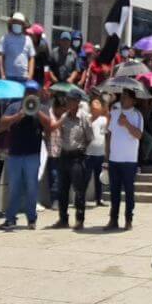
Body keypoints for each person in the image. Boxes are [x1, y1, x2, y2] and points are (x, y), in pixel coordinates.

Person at [0, 80, 52, 230]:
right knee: (14, 188)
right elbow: (2, 124)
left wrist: (37, 112)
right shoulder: (14, 107)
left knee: (31, 187)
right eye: (28, 92)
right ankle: (10, 218)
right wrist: (18, 115)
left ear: (37, 94)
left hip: (32, 154)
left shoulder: (42, 107)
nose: (30, 94)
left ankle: (31, 219)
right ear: (24, 93)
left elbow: (49, 126)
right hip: (15, 154)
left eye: (33, 92)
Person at [52, 89, 93, 230]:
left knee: (79, 190)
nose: (68, 102)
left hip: (77, 157)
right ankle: (63, 219)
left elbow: (89, 138)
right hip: (64, 155)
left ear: (77, 102)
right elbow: (56, 129)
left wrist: (82, 149)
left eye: (70, 100)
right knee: (62, 189)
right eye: (67, 100)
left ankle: (79, 219)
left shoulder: (84, 118)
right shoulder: (64, 116)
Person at [105, 88, 144, 230]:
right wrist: (107, 156)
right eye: (122, 96)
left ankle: (128, 219)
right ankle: (113, 219)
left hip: (129, 160)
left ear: (133, 100)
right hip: (114, 158)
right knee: (114, 191)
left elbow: (139, 135)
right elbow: (109, 135)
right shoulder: (114, 113)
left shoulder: (137, 115)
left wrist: (127, 124)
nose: (123, 99)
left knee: (128, 191)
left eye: (126, 97)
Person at [0, 12, 35, 81]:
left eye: (19, 23)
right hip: (9, 76)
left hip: (23, 76)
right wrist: (2, 74)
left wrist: (30, 74)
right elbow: (0, 56)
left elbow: (31, 57)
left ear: (23, 25)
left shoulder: (28, 39)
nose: (17, 25)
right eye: (15, 22)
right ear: (11, 24)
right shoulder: (5, 38)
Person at [87, 97, 108, 208]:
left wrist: (106, 153)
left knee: (99, 178)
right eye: (93, 107)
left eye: (97, 107)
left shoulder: (103, 120)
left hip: (100, 153)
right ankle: (80, 198)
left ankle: (99, 198)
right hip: (88, 153)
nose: (95, 109)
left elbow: (105, 135)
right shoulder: (87, 119)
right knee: (85, 177)